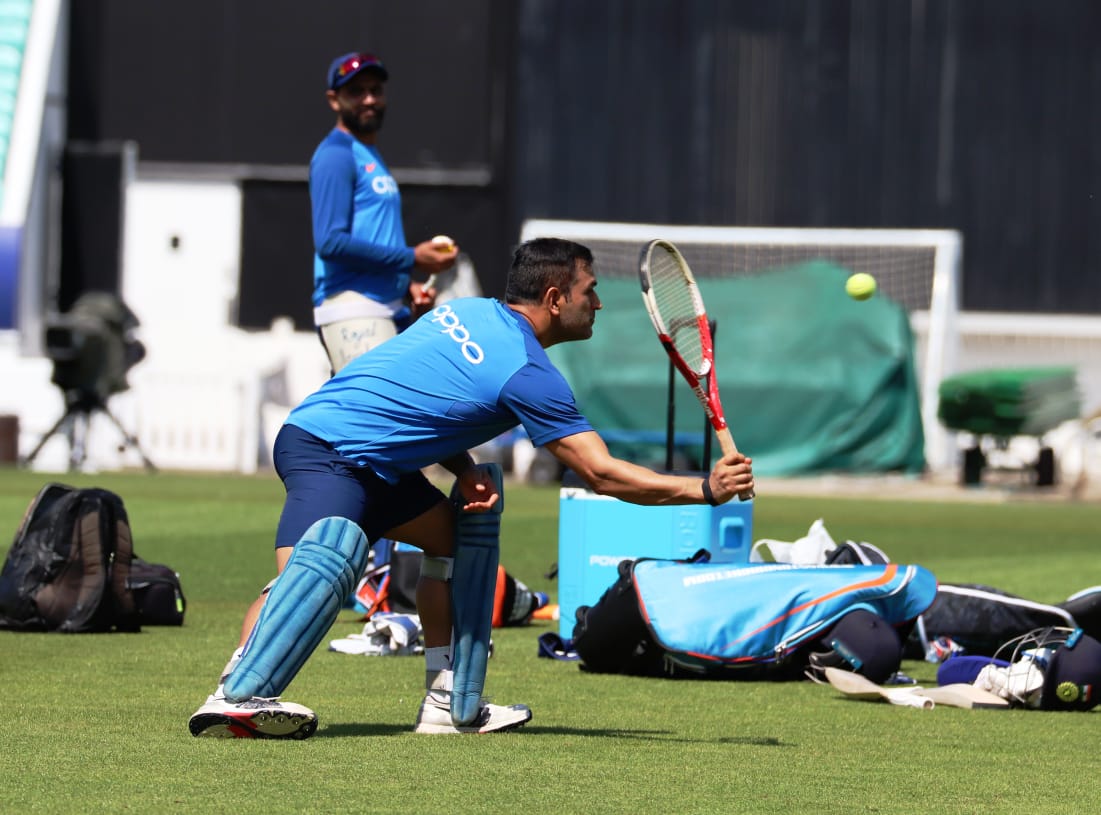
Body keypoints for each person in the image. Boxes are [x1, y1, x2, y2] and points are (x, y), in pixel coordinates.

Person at [188, 237, 755, 739]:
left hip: (367, 458)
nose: (598, 303)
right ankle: (236, 694)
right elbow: (599, 472)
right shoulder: (529, 374)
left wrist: (462, 469)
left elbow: (421, 396)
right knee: (315, 569)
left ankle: (446, 701)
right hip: (327, 446)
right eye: (591, 291)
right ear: (556, 299)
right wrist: (703, 488)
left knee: (452, 540)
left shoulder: (469, 312)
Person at [311, 50, 458, 373]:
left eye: (375, 90)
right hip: (352, 308)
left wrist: (407, 285)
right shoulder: (336, 155)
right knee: (374, 419)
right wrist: (412, 258)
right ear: (334, 100)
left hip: (385, 307)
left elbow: (371, 234)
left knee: (397, 415)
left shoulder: (369, 154)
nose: (368, 99)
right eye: (356, 91)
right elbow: (330, 243)